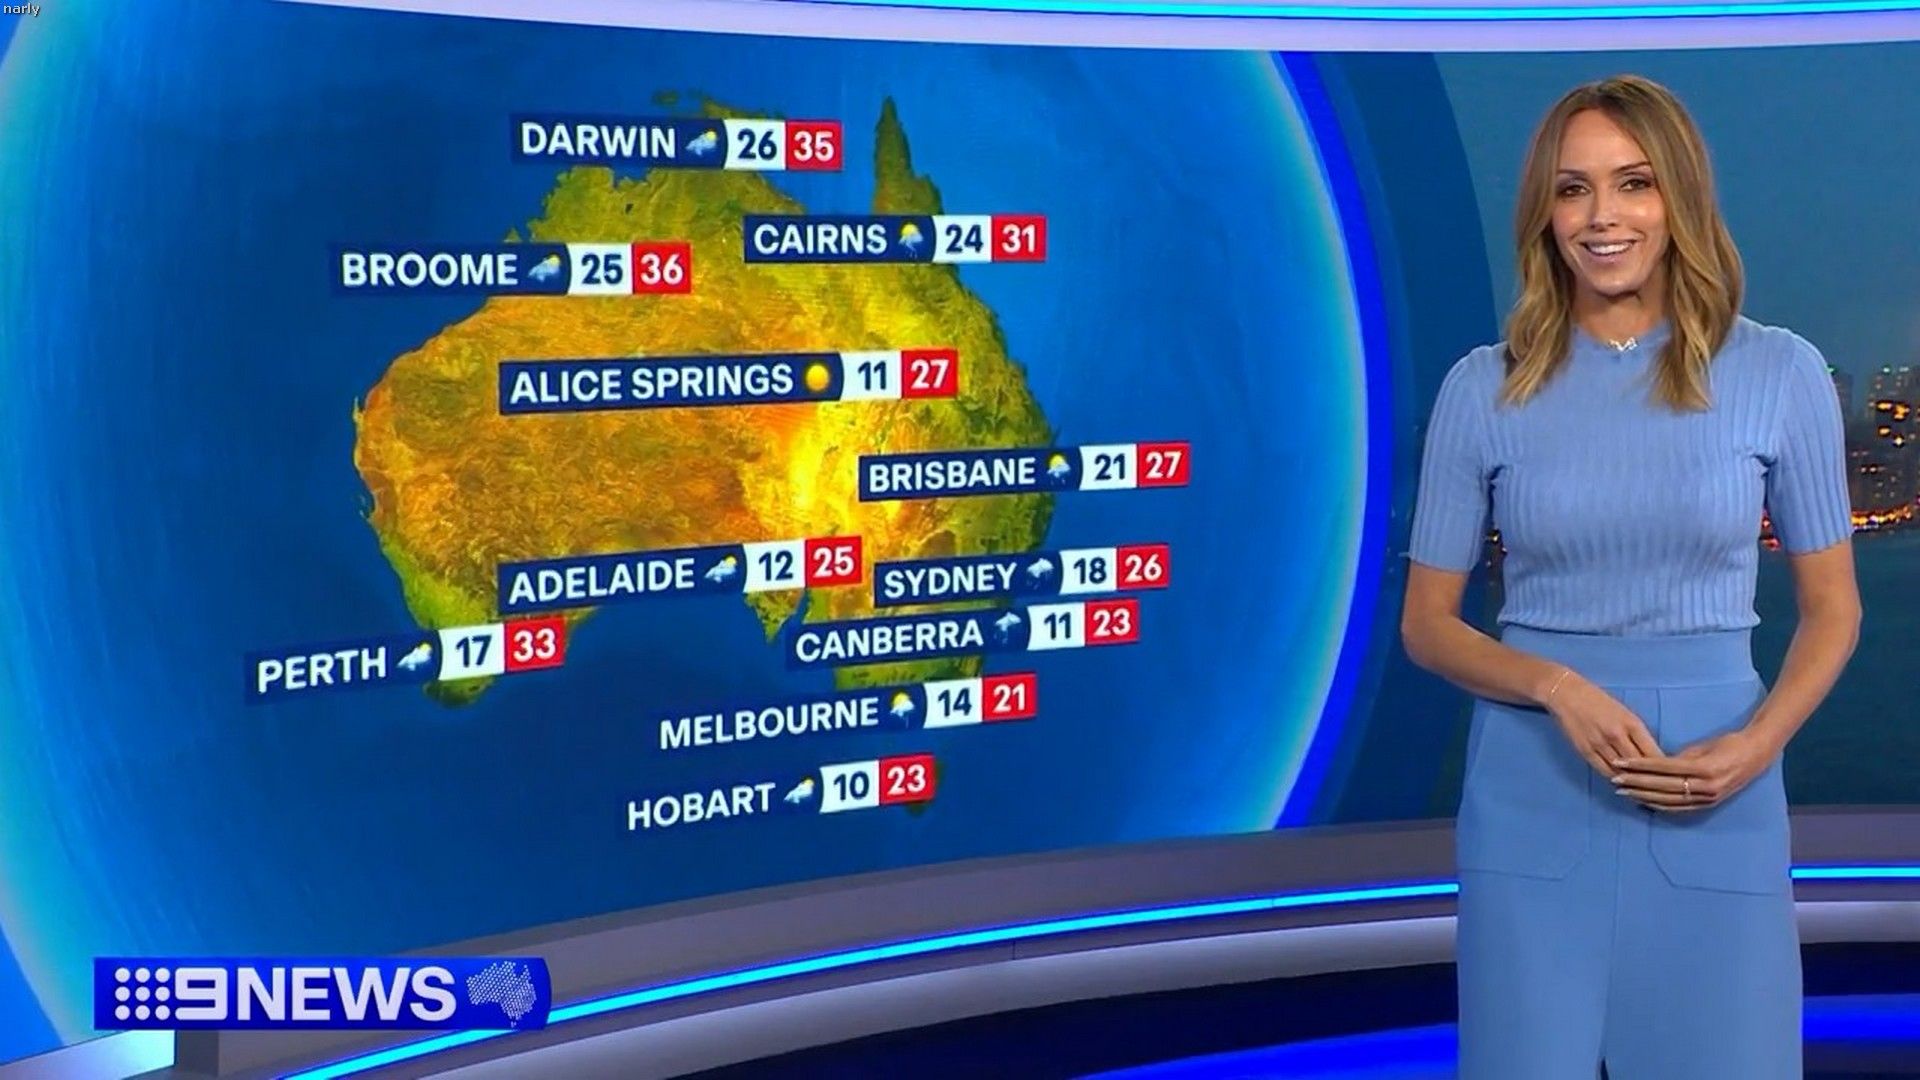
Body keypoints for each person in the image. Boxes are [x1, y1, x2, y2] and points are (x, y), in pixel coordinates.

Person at [1400, 74, 1862, 1079]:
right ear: (1545, 213)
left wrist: (1755, 747)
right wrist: (1556, 686)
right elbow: (1427, 624)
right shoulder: (1483, 387)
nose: (1602, 216)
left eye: (1633, 183)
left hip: (1718, 785)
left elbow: (1832, 610)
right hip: (1532, 790)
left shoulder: (1780, 374)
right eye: (1573, 189)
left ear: (1679, 198)